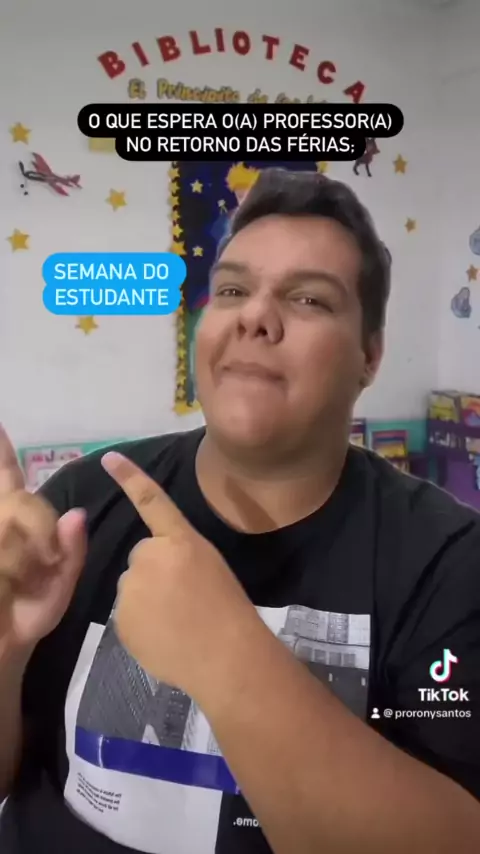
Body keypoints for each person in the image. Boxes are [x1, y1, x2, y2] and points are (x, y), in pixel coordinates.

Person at [0, 169, 479, 854]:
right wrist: (6, 648)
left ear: (369, 357)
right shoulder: (84, 503)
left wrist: (228, 659)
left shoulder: (448, 562)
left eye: (309, 298)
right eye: (230, 290)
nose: (254, 316)